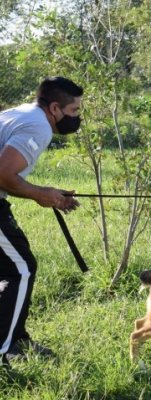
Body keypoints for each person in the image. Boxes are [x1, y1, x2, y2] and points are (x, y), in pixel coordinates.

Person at [0, 77, 83, 369]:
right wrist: (40, 194)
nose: (77, 118)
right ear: (56, 108)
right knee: (20, 269)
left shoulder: (24, 113)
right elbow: (3, 175)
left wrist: (49, 195)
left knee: (16, 265)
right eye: (74, 111)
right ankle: (7, 348)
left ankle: (17, 338)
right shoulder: (38, 126)